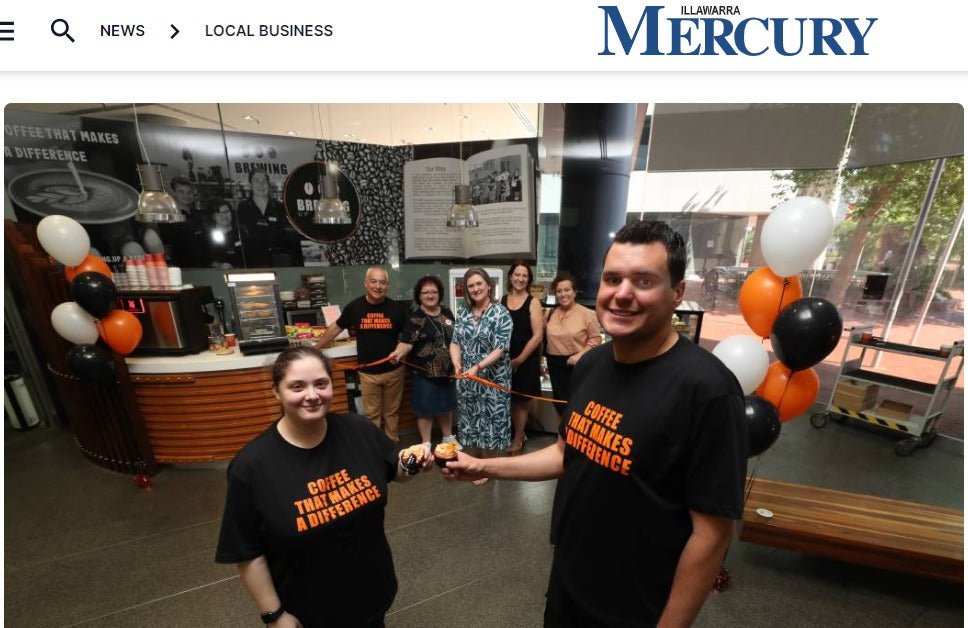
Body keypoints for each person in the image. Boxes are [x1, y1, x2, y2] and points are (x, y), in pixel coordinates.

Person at [440, 221, 748, 627]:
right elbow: (564, 454)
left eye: (643, 281)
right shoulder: (593, 365)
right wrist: (482, 466)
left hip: (637, 606)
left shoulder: (707, 389)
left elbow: (711, 536)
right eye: (612, 278)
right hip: (570, 583)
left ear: (676, 293)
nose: (622, 293)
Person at [215, 346, 431, 628]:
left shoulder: (358, 430)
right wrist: (274, 615)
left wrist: (413, 462)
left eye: (321, 383)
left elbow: (395, 471)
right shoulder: (251, 466)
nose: (312, 395)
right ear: (276, 392)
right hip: (309, 613)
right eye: (297, 386)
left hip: (372, 594)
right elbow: (248, 553)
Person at [316, 267, 407, 442]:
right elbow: (336, 327)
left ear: (387, 285)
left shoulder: (397, 309)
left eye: (382, 282)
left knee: (392, 413)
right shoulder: (354, 307)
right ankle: (374, 447)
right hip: (367, 373)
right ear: (366, 284)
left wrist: (403, 348)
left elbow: (409, 335)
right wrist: (315, 348)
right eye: (373, 281)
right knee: (372, 414)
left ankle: (391, 447)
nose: (378, 286)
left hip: (394, 372)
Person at [389, 275, 460, 452]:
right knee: (425, 409)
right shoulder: (415, 317)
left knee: (446, 406)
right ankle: (426, 443)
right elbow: (407, 342)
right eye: (426, 292)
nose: (430, 295)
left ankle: (447, 438)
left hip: (448, 371)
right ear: (419, 296)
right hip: (425, 372)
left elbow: (455, 338)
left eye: (434, 292)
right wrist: (398, 353)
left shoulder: (447, 312)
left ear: (440, 294)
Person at [449, 267, 513, 454]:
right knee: (471, 420)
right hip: (468, 378)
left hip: (493, 378)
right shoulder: (463, 312)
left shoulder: (501, 313)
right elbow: (455, 342)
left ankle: (489, 465)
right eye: (471, 286)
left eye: (479, 284)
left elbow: (500, 349)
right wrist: (456, 363)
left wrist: (478, 366)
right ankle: (476, 461)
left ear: (488, 286)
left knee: (492, 423)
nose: (475, 288)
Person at [543, 271, 602, 417]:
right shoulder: (550, 313)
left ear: (574, 292)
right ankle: (562, 438)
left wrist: (578, 356)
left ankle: (575, 439)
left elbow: (596, 340)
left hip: (577, 365)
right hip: (555, 366)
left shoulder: (587, 314)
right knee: (559, 404)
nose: (563, 294)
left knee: (578, 405)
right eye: (559, 291)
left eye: (567, 290)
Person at [500, 260, 544, 452]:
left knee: (520, 402)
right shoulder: (501, 300)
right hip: (504, 359)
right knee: (507, 399)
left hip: (525, 359)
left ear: (529, 279)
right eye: (517, 275)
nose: (520, 279)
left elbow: (537, 336)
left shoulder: (533, 302)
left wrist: (519, 360)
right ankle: (519, 432)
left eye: (524, 276)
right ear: (510, 276)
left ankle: (518, 438)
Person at [236, 169, 304, 267]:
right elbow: (241, 234)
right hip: (253, 261)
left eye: (264, 181)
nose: (261, 184)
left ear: (268, 184)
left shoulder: (280, 207)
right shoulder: (243, 207)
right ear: (250, 184)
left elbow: (289, 233)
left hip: (279, 261)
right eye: (256, 181)